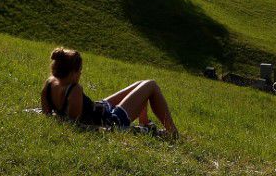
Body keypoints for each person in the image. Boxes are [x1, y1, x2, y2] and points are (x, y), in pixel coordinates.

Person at [40, 47, 178, 138]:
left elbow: (47, 113)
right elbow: (74, 123)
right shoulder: (74, 89)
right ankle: (172, 132)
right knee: (151, 84)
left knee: (139, 85)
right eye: (80, 70)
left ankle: (145, 122)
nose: (81, 73)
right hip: (110, 120)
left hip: (99, 108)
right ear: (73, 72)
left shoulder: (49, 83)